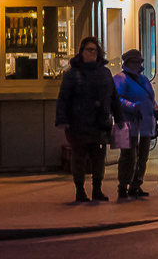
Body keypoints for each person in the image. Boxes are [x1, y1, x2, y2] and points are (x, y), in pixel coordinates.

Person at [55, 36, 122, 204]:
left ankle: (97, 189)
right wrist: (63, 121)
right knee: (78, 158)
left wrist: (119, 118)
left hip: (100, 124)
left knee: (99, 159)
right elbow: (63, 98)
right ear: (82, 52)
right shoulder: (73, 74)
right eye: (88, 50)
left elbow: (113, 97)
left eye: (94, 50)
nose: (91, 53)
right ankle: (80, 190)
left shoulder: (105, 73)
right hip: (78, 124)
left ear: (98, 53)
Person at [114, 49, 158, 200]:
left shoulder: (144, 79)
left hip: (145, 124)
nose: (136, 64)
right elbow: (116, 99)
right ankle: (123, 185)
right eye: (133, 61)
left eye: (138, 61)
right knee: (128, 157)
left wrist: (156, 110)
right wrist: (132, 106)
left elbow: (150, 99)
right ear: (127, 63)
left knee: (142, 156)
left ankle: (136, 185)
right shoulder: (121, 79)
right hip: (129, 125)